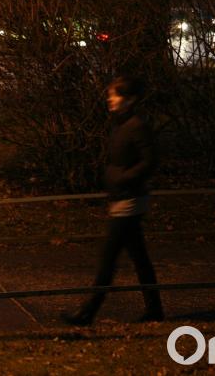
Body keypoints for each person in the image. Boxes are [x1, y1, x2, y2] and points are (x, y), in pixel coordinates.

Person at [62, 75, 164, 326]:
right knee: (140, 258)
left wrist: (123, 179)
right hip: (122, 198)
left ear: (129, 100)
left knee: (108, 258)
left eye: (115, 95)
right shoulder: (122, 124)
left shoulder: (136, 126)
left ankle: (88, 312)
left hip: (129, 201)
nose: (110, 99)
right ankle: (155, 310)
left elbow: (149, 161)